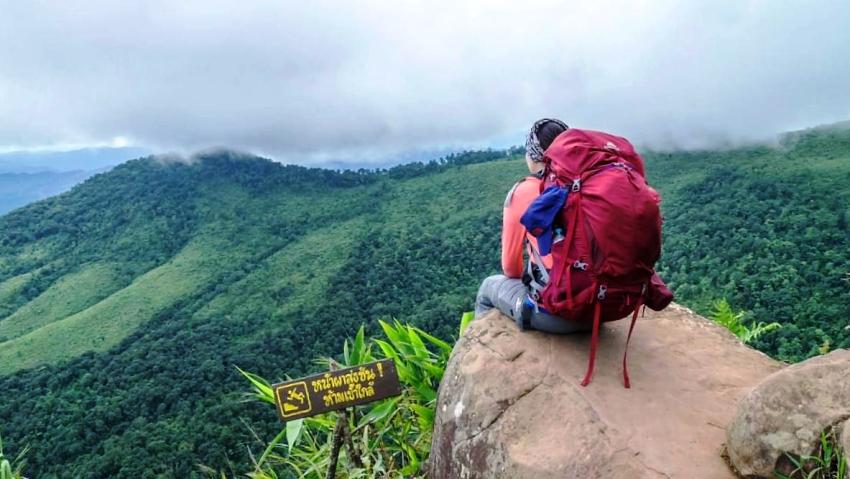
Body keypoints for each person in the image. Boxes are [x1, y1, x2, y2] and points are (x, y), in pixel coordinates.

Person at [474, 118, 590, 334]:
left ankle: (481, 347)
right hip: (602, 306)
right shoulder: (589, 184)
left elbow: (511, 268)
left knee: (488, 288)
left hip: (559, 314)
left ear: (533, 154)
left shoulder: (524, 192)